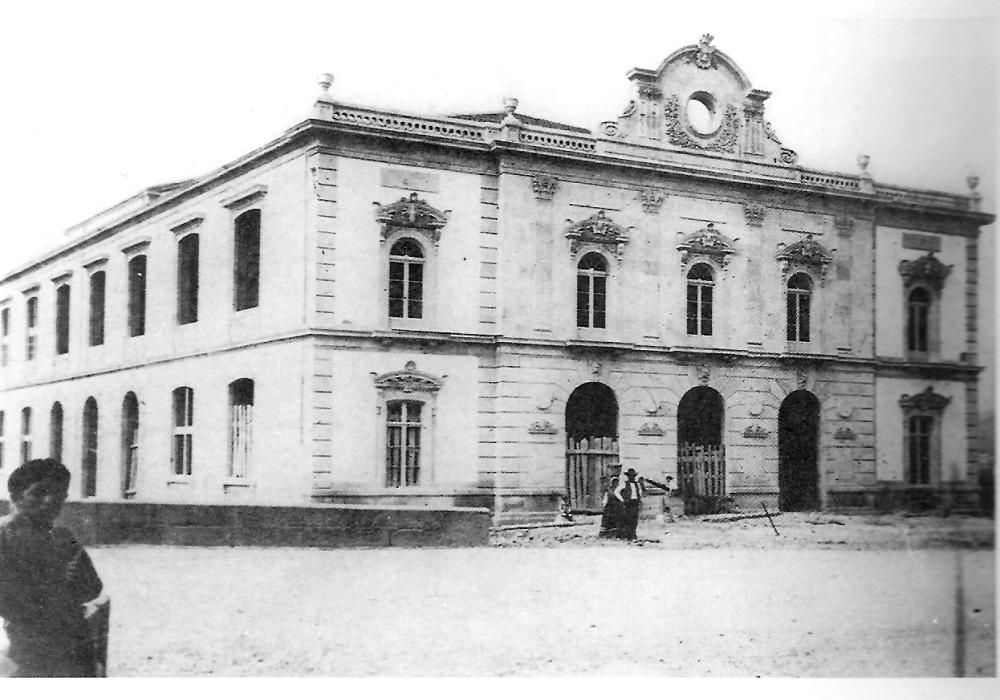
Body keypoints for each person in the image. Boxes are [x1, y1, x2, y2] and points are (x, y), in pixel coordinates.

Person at [0, 459, 104, 677]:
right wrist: (57, 589)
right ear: (17, 497)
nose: (49, 501)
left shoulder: (62, 536)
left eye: (58, 494)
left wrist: (77, 582)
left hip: (71, 639)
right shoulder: (5, 536)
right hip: (24, 643)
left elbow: (93, 587)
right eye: (38, 493)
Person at [615, 468, 645, 540]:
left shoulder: (637, 484)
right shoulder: (624, 484)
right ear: (628, 476)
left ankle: (633, 534)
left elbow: (640, 493)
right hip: (628, 503)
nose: (632, 477)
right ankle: (627, 535)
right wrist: (622, 500)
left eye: (633, 476)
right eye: (630, 476)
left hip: (635, 503)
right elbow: (616, 492)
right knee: (627, 519)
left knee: (634, 520)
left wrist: (639, 500)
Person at [598, 471, 623, 538]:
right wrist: (604, 505)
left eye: (616, 482)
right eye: (614, 482)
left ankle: (615, 534)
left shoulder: (619, 490)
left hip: (617, 508)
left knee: (617, 521)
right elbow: (605, 499)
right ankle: (605, 534)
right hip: (609, 508)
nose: (615, 483)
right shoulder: (609, 490)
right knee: (607, 521)